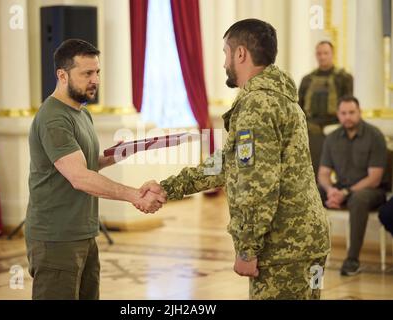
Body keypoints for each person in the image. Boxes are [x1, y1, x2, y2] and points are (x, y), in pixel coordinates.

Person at [139, 19, 330, 300]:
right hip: (306, 242)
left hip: (284, 248)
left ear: (241, 54)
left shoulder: (257, 105)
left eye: (226, 53)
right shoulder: (280, 97)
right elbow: (228, 163)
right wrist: (168, 188)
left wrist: (248, 248)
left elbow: (257, 183)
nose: (224, 62)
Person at [25, 39, 166, 300]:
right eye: (87, 73)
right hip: (57, 237)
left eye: (97, 72)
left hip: (83, 233)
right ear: (62, 75)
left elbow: (87, 164)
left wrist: (119, 153)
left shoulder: (82, 113)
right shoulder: (53, 118)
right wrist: (135, 195)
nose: (95, 80)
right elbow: (79, 177)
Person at [318, 95, 388, 276]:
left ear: (359, 112)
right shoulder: (332, 138)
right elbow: (323, 174)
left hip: (371, 191)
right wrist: (330, 190)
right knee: (310, 193)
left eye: (351, 112)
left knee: (358, 199)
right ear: (338, 115)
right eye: (343, 113)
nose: (347, 117)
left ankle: (352, 260)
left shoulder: (375, 136)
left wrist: (345, 193)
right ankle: (309, 256)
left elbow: (375, 178)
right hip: (340, 189)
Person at [298, 41, 353, 178]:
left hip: (336, 129)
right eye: (319, 53)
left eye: (325, 53)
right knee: (313, 171)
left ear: (332, 54)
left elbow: (348, 105)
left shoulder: (344, 78)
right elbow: (299, 106)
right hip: (313, 131)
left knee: (342, 171)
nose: (322, 57)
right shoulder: (307, 79)